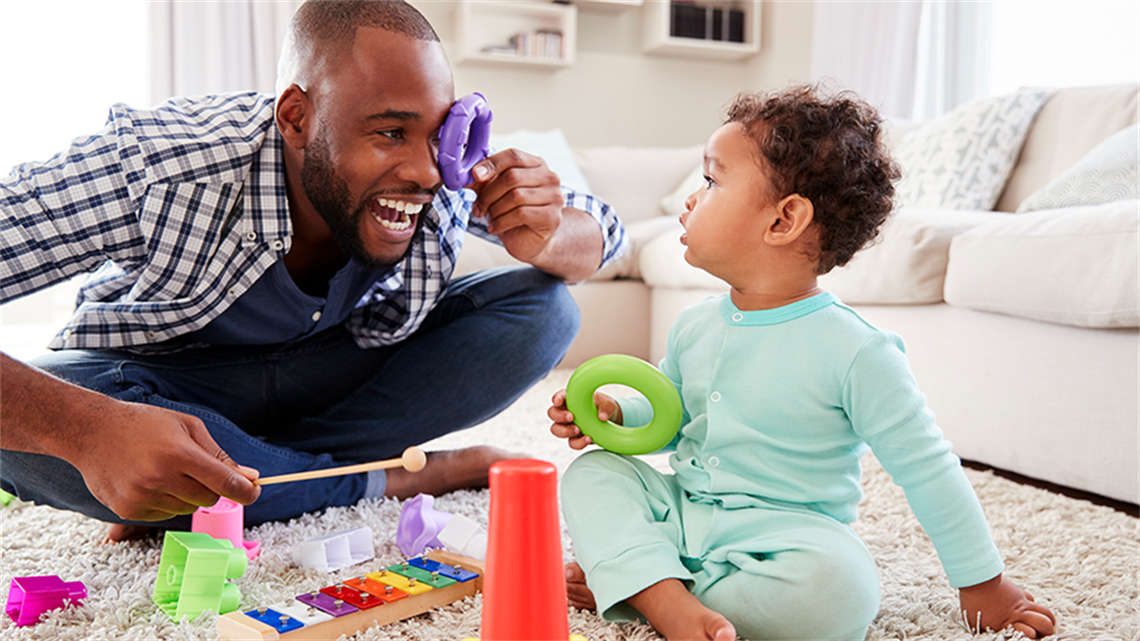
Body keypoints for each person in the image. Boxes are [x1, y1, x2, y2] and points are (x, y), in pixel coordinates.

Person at [0, 0, 626, 542]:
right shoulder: (159, 165)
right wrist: (85, 430)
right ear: (296, 117)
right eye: (389, 132)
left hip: (331, 375)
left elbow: (604, 231)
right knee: (25, 428)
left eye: (435, 136)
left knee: (544, 308)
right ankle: (401, 474)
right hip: (165, 384)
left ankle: (256, 480)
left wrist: (544, 230)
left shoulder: (442, 171)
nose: (427, 172)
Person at [548, 85, 1056, 640]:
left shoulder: (857, 349)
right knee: (594, 475)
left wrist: (982, 584)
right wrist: (619, 413)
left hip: (789, 537)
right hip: (685, 511)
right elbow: (671, 422)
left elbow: (928, 469)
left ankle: (643, 582)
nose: (690, 200)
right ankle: (663, 593)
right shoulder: (695, 325)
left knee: (839, 592)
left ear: (784, 220)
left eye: (712, 182)